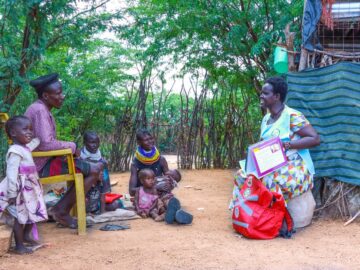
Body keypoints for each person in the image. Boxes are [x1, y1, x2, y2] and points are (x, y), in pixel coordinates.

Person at [25, 73, 103, 229]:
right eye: (58, 93)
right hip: (40, 165)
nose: (62, 96)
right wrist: (72, 146)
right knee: (95, 169)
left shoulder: (41, 108)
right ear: (46, 96)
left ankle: (61, 209)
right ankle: (61, 210)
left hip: (41, 161)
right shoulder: (40, 110)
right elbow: (46, 144)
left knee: (89, 166)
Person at [230, 76, 320, 208]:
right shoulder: (266, 119)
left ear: (277, 96)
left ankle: (279, 220)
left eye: (265, 93)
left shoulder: (292, 116)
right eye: (261, 92)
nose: (261, 96)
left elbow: (315, 139)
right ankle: (243, 214)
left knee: (267, 178)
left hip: (296, 169)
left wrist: (287, 145)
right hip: (272, 166)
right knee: (241, 175)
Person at [0, 116, 48, 254]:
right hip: (18, 190)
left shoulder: (24, 147)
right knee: (18, 217)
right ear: (13, 133)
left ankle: (26, 236)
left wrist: (40, 137)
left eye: (31, 129)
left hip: (29, 188)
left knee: (31, 211)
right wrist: (12, 193)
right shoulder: (14, 151)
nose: (29, 132)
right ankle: (19, 246)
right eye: (25, 129)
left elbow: (34, 142)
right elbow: (11, 174)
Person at [80, 131, 121, 213]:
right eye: (91, 142)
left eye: (97, 142)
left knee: (116, 204)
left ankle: (98, 209)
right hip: (82, 198)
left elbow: (104, 190)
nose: (95, 145)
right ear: (84, 143)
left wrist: (102, 212)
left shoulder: (102, 162)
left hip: (97, 201)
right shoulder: (79, 159)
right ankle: (85, 212)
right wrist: (94, 177)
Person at [128, 129, 169, 196]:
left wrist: (168, 183)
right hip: (143, 197)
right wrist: (154, 188)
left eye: (151, 138)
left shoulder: (161, 159)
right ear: (139, 142)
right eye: (146, 140)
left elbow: (168, 181)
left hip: (160, 195)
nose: (150, 141)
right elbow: (131, 191)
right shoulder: (135, 164)